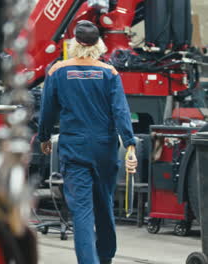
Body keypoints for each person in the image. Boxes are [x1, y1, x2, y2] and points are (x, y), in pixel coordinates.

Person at [37, 20, 138, 264]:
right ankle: (105, 258)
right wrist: (130, 146)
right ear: (99, 46)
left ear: (73, 45)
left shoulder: (57, 71)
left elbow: (47, 111)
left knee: (82, 211)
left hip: (75, 148)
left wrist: (44, 137)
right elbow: (121, 112)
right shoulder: (109, 72)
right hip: (104, 147)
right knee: (104, 205)